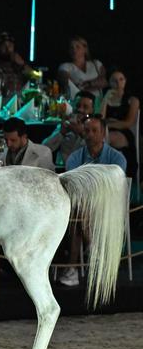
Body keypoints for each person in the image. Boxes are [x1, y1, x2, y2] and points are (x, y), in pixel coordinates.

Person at [62, 116, 126, 286]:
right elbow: (72, 183)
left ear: (103, 133)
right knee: (79, 211)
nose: (89, 135)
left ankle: (72, 268)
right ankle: (95, 251)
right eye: (87, 131)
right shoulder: (75, 157)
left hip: (107, 207)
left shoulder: (117, 158)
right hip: (82, 206)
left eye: (94, 131)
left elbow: (115, 186)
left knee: (78, 215)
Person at [100, 68, 140, 179]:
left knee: (104, 137)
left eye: (121, 79)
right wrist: (105, 100)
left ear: (125, 81)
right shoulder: (106, 97)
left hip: (123, 133)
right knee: (98, 137)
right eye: (114, 80)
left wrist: (108, 124)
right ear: (109, 82)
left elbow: (128, 122)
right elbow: (100, 119)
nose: (118, 83)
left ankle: (101, 170)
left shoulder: (132, 100)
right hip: (105, 131)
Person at [43, 90, 94, 165]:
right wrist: (61, 133)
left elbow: (98, 153)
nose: (80, 109)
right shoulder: (67, 124)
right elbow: (44, 149)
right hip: (63, 170)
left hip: (86, 170)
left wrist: (82, 133)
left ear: (92, 110)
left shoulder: (98, 128)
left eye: (85, 107)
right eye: (77, 106)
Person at [0, 32, 32, 100]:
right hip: (5, 100)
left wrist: (22, 64)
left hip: (21, 100)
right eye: (4, 46)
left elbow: (35, 77)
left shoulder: (20, 64)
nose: (7, 49)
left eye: (10, 45)